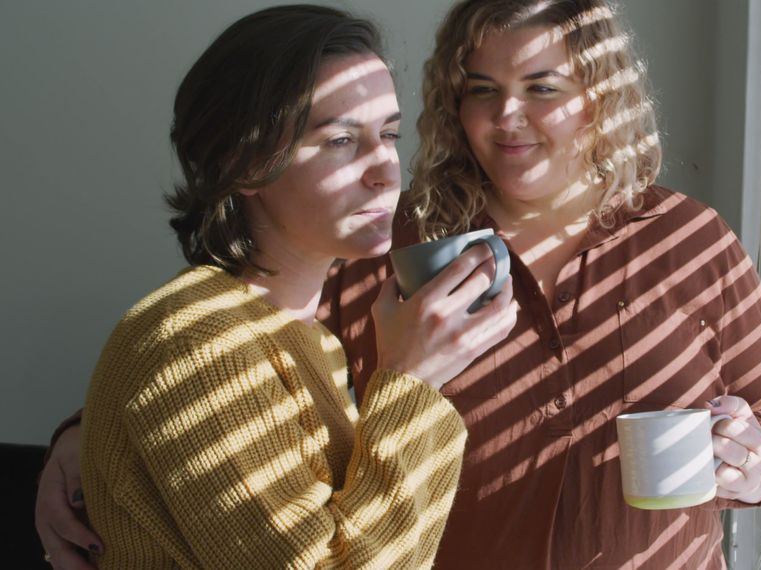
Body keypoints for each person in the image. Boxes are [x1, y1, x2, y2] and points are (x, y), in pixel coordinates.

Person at [38, 0, 761, 568]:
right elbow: (240, 360)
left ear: (601, 95)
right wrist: (85, 442)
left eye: (542, 87)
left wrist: (755, 463)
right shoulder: (391, 242)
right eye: (480, 89)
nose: (508, 117)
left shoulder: (689, 241)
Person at [41, 5, 516, 569]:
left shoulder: (310, 341)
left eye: (387, 133)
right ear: (244, 163)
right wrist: (411, 379)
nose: (387, 169)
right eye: (341, 139)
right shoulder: (193, 341)